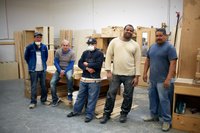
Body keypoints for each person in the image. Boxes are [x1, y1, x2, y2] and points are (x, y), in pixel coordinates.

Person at [100, 24, 141, 124]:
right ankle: (106, 114)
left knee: (128, 95)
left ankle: (124, 114)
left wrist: (137, 76)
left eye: (131, 30)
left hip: (130, 75)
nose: (129, 31)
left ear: (133, 32)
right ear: (124, 30)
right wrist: (108, 71)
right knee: (110, 94)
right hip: (116, 74)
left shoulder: (135, 45)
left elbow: (138, 61)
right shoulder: (114, 42)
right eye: (127, 29)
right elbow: (108, 56)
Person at [142, 28, 177, 132]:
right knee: (152, 98)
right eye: (157, 36)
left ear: (165, 36)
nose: (158, 37)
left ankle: (167, 121)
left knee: (164, 100)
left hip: (163, 80)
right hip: (153, 79)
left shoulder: (170, 48)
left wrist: (168, 79)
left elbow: (173, 64)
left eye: (161, 35)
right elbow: (148, 60)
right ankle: (154, 116)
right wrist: (144, 73)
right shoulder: (152, 47)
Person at [67, 38, 104, 123]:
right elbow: (80, 63)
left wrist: (88, 64)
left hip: (94, 80)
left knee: (92, 99)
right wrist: (87, 68)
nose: (90, 46)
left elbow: (98, 65)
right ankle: (76, 111)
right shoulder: (85, 53)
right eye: (89, 44)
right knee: (80, 97)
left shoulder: (100, 54)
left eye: (92, 44)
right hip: (84, 79)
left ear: (95, 44)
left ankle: (89, 115)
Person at [24, 32, 50, 109]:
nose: (38, 39)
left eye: (40, 37)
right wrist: (31, 64)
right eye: (37, 37)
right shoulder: (29, 47)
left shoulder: (44, 47)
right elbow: (26, 57)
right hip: (33, 70)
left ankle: (43, 100)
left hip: (42, 70)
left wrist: (43, 65)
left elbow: (46, 57)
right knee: (34, 86)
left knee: (43, 85)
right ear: (34, 38)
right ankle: (33, 102)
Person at [50, 39, 76, 107]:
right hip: (60, 69)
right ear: (61, 45)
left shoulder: (72, 53)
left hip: (68, 69)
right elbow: (55, 62)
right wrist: (60, 70)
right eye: (64, 45)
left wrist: (65, 71)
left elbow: (71, 64)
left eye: (67, 45)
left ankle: (69, 94)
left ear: (69, 46)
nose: (65, 47)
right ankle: (55, 99)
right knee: (52, 82)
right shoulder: (58, 52)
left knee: (70, 78)